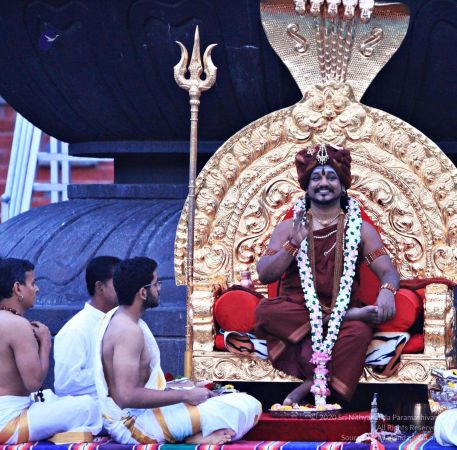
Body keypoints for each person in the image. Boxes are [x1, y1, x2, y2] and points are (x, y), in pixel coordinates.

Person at [255, 143, 400, 406]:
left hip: (341, 312)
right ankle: (345, 319)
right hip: (298, 309)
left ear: (342, 186)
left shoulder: (360, 229)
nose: (323, 183)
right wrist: (293, 243)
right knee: (266, 311)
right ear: (306, 186)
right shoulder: (288, 228)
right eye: (316, 178)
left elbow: (387, 271)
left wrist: (387, 291)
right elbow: (265, 274)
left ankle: (310, 383)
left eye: (331, 177)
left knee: (359, 331)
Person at [94, 257, 261, 444]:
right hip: (135, 427)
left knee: (226, 398)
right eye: (156, 284)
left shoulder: (123, 320)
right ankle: (193, 439)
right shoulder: (128, 331)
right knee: (247, 405)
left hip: (139, 416)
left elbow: (136, 386)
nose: (159, 288)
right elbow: (127, 396)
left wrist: (183, 387)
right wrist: (185, 395)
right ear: (143, 292)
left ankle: (193, 434)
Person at [0, 258, 102, 444]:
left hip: (9, 412)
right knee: (88, 406)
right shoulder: (17, 325)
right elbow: (33, 383)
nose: (37, 289)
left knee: (50, 397)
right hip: (8, 422)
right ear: (17, 288)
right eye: (33, 283)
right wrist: (46, 343)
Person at [54, 255, 121, 398]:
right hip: (92, 409)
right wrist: (115, 371)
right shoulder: (76, 329)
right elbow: (65, 384)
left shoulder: (121, 321)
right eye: (118, 282)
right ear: (99, 287)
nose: (125, 288)